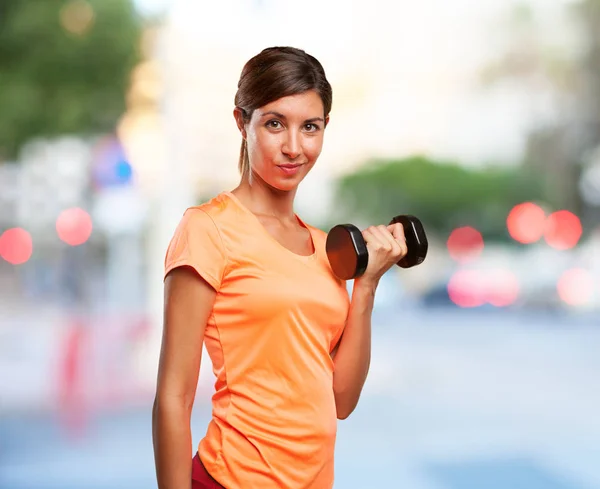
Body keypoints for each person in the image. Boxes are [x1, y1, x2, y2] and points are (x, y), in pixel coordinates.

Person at [152, 46, 408, 489]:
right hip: (230, 479)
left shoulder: (327, 248)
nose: (294, 147)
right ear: (242, 122)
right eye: (275, 123)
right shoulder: (208, 229)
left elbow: (340, 400)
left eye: (310, 127)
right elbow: (173, 398)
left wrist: (365, 288)